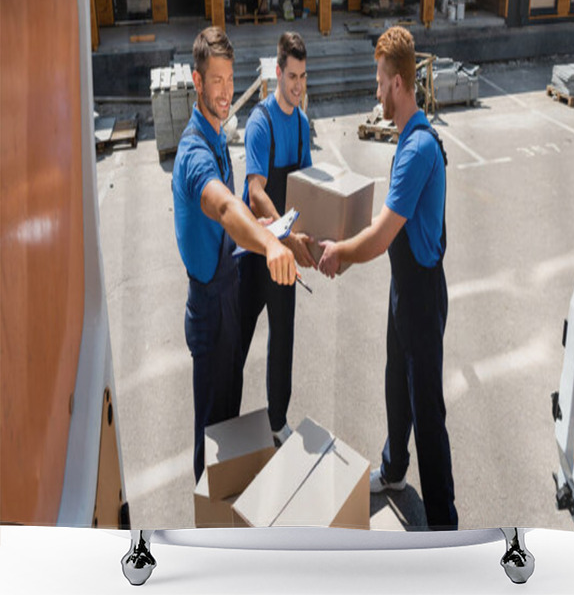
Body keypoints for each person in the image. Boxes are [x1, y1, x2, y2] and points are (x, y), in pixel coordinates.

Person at [318, 26, 458, 530]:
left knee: (427, 412)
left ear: (398, 83)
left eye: (380, 82)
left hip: (420, 297)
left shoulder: (418, 148)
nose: (375, 91)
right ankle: (395, 470)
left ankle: (444, 525)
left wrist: (339, 255)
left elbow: (379, 238)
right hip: (406, 292)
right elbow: (383, 225)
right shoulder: (408, 138)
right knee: (395, 385)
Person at [172, 26, 296, 483]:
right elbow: (223, 205)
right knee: (212, 436)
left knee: (229, 422)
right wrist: (266, 243)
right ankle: (208, 529)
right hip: (208, 304)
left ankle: (225, 513)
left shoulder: (218, 135)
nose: (226, 92)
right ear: (197, 81)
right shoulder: (193, 154)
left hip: (229, 288)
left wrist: (262, 227)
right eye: (216, 81)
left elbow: (234, 213)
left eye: (230, 79)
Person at [238, 31, 316, 446]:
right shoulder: (260, 123)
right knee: (239, 335)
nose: (298, 86)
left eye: (303, 77)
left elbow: (306, 187)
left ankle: (276, 420)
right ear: (277, 72)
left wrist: (313, 237)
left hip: (283, 250)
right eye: (292, 77)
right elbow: (255, 191)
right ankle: (225, 421)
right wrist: (284, 233)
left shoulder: (302, 125)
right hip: (255, 248)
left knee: (282, 335)